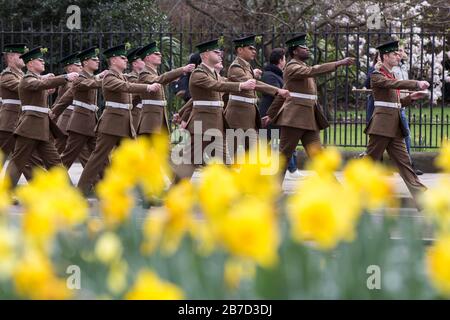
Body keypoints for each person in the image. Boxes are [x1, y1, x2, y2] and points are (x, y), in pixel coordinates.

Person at [263, 33, 355, 178]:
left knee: (318, 155)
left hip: (308, 119)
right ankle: (273, 189)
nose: (307, 49)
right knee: (284, 155)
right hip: (294, 118)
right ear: (294, 51)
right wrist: (338, 63)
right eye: (303, 47)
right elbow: (313, 71)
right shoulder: (292, 67)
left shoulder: (301, 66)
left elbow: (285, 93)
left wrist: (271, 114)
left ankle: (333, 189)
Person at [77, 44, 161, 195]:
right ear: (114, 60)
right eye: (122, 58)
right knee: (97, 159)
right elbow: (125, 87)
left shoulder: (121, 76)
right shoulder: (109, 77)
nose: (125, 60)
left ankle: (142, 194)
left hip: (125, 125)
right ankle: (80, 192)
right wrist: (146, 88)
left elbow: (128, 89)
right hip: (111, 125)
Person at [171, 38, 256, 181]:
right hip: (202, 126)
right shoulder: (199, 74)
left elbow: (223, 83)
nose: (220, 54)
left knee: (226, 164)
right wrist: (241, 86)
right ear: (205, 55)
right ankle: (173, 193)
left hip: (216, 126)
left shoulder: (214, 74)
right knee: (188, 165)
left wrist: (246, 79)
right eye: (216, 52)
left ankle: (230, 196)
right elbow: (217, 86)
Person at [364, 40, 429, 210]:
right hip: (381, 126)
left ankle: (422, 197)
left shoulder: (391, 74)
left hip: (394, 127)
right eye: (394, 54)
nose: (398, 56)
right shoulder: (377, 75)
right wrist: (415, 83)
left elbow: (396, 101)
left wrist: (411, 98)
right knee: (369, 162)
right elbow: (393, 85)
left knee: (404, 163)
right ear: (385, 56)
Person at [5, 46, 79, 187]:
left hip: (42, 129)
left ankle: (70, 194)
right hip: (29, 128)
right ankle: (5, 192)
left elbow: (42, 85)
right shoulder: (27, 79)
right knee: (18, 162)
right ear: (31, 63)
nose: (43, 62)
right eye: (40, 60)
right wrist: (65, 77)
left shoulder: (35, 80)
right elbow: (40, 84)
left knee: (55, 162)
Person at [224, 35, 290, 163]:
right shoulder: (235, 68)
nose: (254, 51)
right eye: (250, 48)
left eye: (254, 48)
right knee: (232, 159)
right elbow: (254, 84)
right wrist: (277, 90)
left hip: (249, 119)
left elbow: (250, 79)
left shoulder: (246, 67)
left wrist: (253, 73)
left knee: (255, 156)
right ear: (240, 50)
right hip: (236, 118)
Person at [52, 47, 109, 170]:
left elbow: (67, 97)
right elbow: (67, 97)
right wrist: (107, 80)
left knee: (98, 156)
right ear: (85, 63)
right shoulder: (77, 80)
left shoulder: (87, 78)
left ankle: (100, 184)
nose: (98, 61)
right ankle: (51, 180)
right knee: (66, 156)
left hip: (88, 121)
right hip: (77, 123)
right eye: (94, 59)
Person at [259, 47, 303, 179]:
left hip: (277, 115)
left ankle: (291, 169)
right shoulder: (269, 75)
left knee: (282, 143)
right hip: (269, 114)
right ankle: (290, 169)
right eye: (284, 59)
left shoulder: (278, 74)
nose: (285, 62)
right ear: (280, 60)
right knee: (270, 143)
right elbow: (275, 93)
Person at [137, 41, 195, 136]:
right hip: (150, 122)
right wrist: (182, 70)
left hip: (158, 119)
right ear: (147, 58)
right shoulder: (144, 74)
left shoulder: (153, 73)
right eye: (156, 54)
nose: (160, 55)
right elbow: (159, 80)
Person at [392, 45, 423, 175]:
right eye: (398, 51)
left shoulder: (403, 67)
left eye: (402, 50)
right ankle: (408, 166)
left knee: (402, 136)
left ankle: (407, 166)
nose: (400, 53)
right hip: (394, 106)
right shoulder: (390, 68)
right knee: (404, 136)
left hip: (402, 105)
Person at [125, 46, 145, 130]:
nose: (144, 62)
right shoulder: (130, 78)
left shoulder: (143, 76)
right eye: (141, 60)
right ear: (134, 64)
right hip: (135, 113)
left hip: (143, 113)